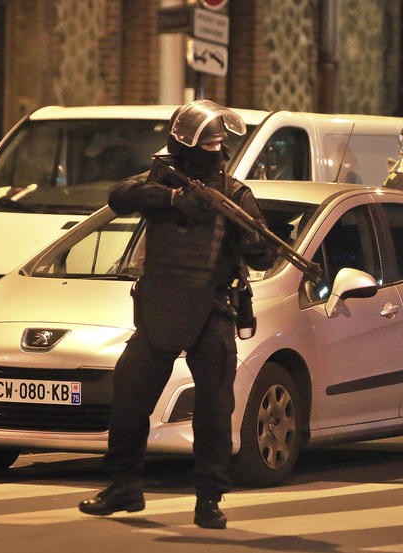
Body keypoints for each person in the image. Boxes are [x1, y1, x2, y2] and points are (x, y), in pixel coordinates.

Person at [78, 99, 275, 529]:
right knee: (129, 396)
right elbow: (119, 196)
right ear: (184, 146)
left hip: (213, 309)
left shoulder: (235, 194)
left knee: (213, 408)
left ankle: (209, 498)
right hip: (161, 309)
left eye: (219, 145)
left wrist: (252, 236)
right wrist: (170, 198)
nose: (216, 151)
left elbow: (263, 256)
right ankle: (124, 485)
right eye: (207, 144)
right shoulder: (160, 183)